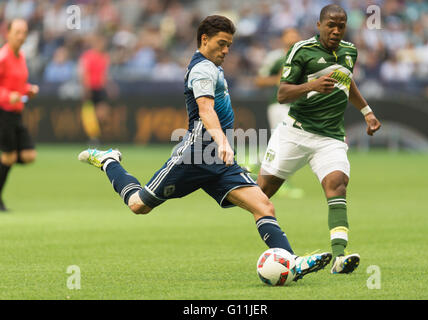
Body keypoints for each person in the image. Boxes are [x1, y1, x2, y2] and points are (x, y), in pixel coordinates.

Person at [78, 15, 331, 281]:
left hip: (220, 161)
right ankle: (109, 161)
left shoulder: (213, 66)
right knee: (138, 204)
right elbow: (205, 110)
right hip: (195, 156)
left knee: (264, 206)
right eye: (222, 44)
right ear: (204, 39)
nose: (226, 50)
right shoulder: (202, 69)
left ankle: (291, 262)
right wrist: (222, 142)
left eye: (229, 45)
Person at [257, 5, 381, 274]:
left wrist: (367, 112)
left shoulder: (350, 51)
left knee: (337, 184)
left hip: (330, 137)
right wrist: (312, 85)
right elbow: (282, 94)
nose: (336, 31)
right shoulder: (301, 50)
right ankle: (278, 250)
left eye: (341, 26)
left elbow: (348, 83)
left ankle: (339, 257)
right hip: (295, 133)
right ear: (319, 24)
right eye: (331, 25)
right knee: (259, 195)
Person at [253, 27, 303, 199]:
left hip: (297, 106)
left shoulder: (303, 57)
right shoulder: (276, 57)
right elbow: (259, 80)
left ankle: (254, 162)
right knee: (284, 143)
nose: (293, 38)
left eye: (295, 35)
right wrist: (277, 79)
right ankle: (281, 183)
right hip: (279, 105)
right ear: (283, 38)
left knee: (287, 143)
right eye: (289, 35)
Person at [0, 19, 39, 212]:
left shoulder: (20, 56)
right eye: (17, 32)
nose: (21, 36)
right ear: (8, 34)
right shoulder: (3, 57)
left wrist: (27, 90)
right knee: (8, 157)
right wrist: (8, 95)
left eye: (24, 32)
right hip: (3, 113)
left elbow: (18, 85)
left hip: (16, 113)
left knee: (28, 155)